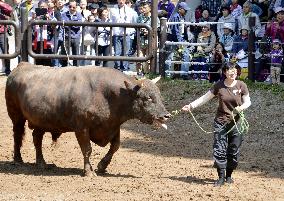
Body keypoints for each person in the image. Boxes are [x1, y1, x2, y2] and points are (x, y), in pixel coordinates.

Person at [182, 62, 251, 186]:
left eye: (234, 69)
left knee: (233, 150)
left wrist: (241, 108)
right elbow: (204, 98)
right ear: (224, 72)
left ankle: (229, 175)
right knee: (219, 149)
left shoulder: (242, 85)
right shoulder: (218, 86)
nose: (232, 72)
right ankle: (221, 177)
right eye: (230, 70)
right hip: (220, 122)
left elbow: (248, 102)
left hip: (237, 123)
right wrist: (191, 106)